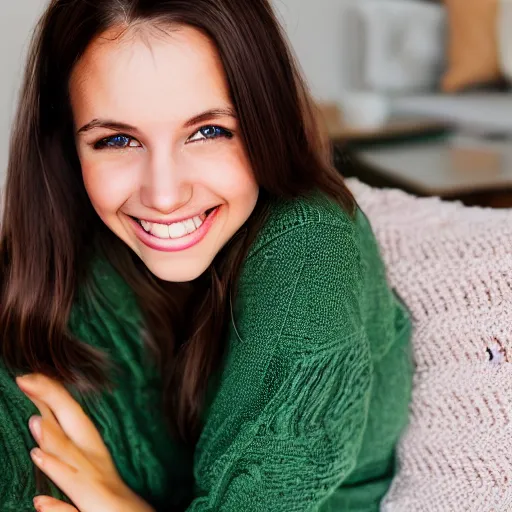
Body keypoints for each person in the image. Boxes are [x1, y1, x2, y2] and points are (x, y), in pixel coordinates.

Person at [1, 0, 412, 510]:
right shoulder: (62, 257)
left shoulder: (310, 246)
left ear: (266, 120)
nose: (165, 195)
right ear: (66, 145)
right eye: (117, 140)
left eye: (208, 131)